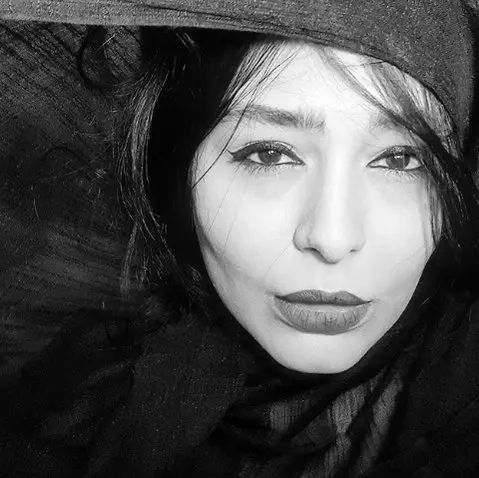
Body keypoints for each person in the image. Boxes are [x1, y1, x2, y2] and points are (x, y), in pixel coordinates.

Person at [1, 0, 479, 476]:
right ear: (177, 175)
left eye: (400, 159)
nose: (333, 238)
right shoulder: (72, 401)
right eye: (269, 154)